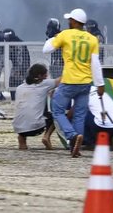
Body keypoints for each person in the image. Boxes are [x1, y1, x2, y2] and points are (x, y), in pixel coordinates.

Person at [43, 8, 105, 158]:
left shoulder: (65, 35)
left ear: (75, 22)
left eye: (70, 19)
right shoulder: (92, 39)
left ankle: (71, 135)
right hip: (86, 83)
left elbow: (46, 49)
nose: (68, 22)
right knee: (79, 115)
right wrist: (100, 85)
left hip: (69, 81)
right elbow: (95, 64)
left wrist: (55, 37)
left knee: (57, 110)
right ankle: (75, 146)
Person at [12, 64, 60, 150]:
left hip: (18, 127)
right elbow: (62, 80)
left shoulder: (20, 87)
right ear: (40, 76)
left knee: (25, 109)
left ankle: (22, 141)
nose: (47, 77)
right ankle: (47, 136)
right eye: (46, 75)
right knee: (57, 115)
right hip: (36, 128)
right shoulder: (44, 83)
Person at [3, 28, 30, 100]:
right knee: (14, 85)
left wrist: (18, 71)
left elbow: (20, 59)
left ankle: (15, 101)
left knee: (15, 85)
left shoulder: (17, 44)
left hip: (20, 68)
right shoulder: (14, 43)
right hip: (20, 68)